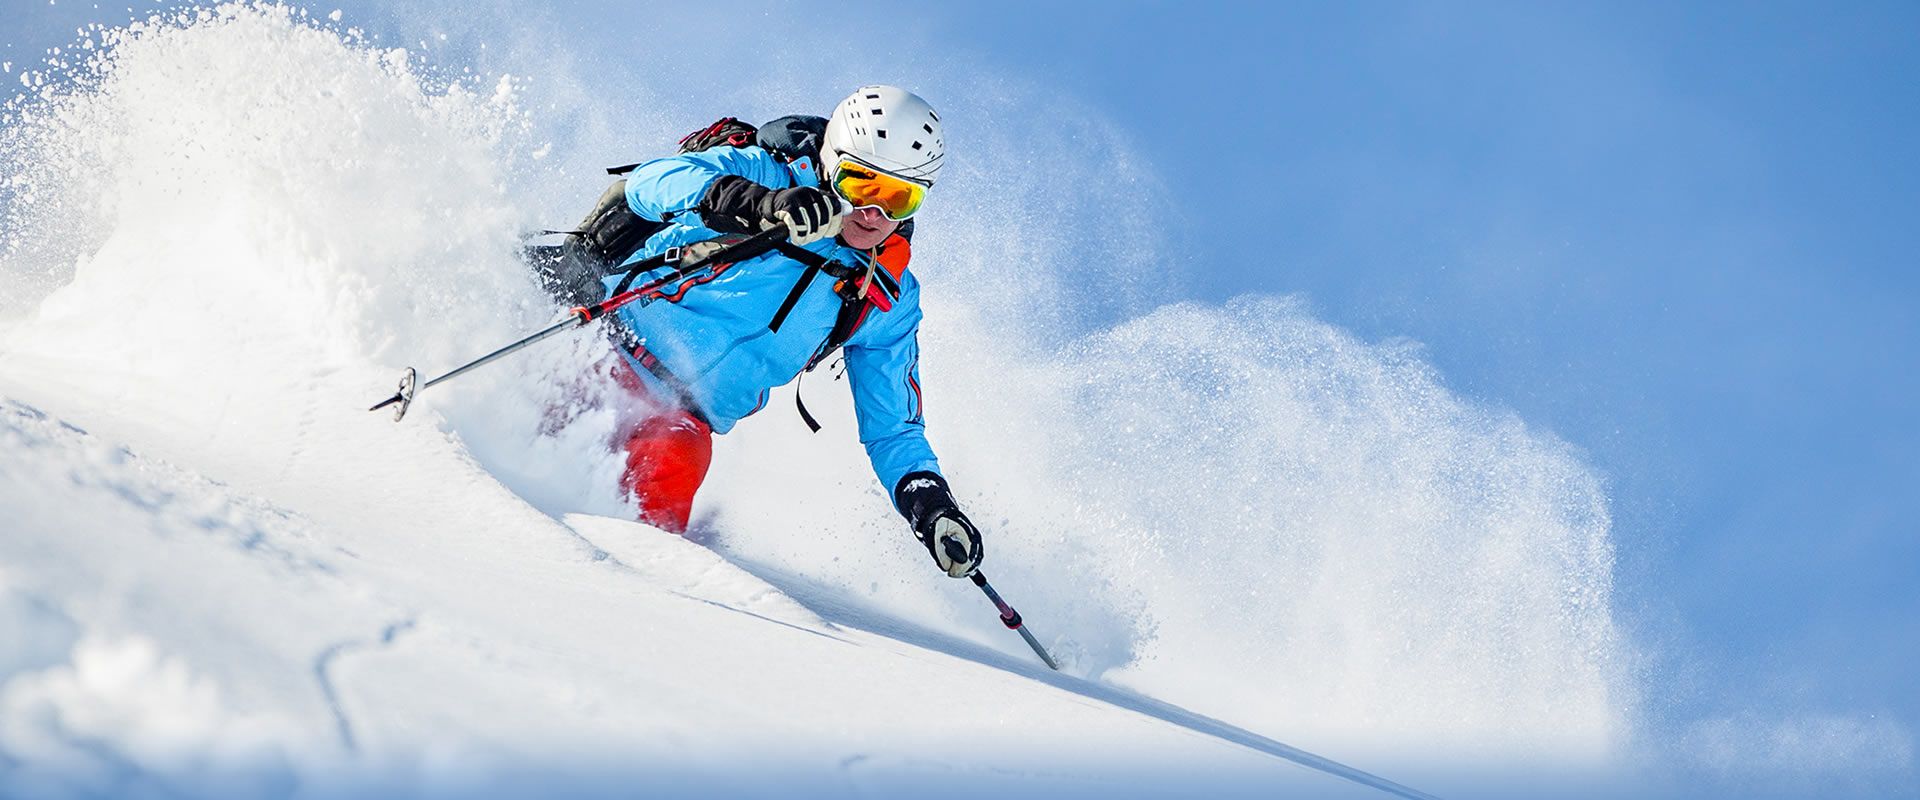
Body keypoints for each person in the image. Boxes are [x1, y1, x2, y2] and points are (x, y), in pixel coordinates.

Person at [587, 85, 983, 580]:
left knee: (654, 517)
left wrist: (931, 506)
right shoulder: (767, 173)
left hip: (678, 421)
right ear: (831, 162)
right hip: (602, 346)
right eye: (861, 184)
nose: (872, 214)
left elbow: (894, 429)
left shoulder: (884, 298)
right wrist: (758, 202)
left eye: (897, 198)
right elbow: (651, 183)